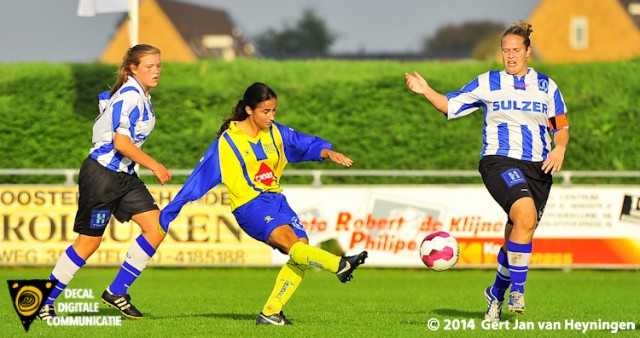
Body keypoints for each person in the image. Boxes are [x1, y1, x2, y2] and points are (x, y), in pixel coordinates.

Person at [159, 82, 368, 326]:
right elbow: (199, 178)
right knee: (294, 246)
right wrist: (170, 211)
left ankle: (271, 313)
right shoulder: (229, 141)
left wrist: (327, 152)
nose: (271, 117)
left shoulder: (276, 132)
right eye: (265, 112)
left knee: (301, 248)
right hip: (250, 206)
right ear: (249, 110)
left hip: (277, 200)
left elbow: (303, 143)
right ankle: (339, 265)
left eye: (274, 111)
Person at [405, 21, 569, 322]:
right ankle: (518, 291)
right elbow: (450, 105)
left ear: (528, 51)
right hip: (500, 161)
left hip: (539, 168)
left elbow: (561, 126)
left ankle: (495, 293)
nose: (510, 56)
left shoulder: (547, 86)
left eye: (516, 50)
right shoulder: (487, 82)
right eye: (505, 51)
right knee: (525, 216)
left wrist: (559, 148)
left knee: (519, 232)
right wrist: (427, 91)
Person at [38, 44, 172, 320]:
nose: (156, 71)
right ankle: (42, 301)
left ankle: (116, 292)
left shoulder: (141, 94)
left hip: (124, 177)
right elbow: (121, 143)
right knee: (88, 243)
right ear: (133, 68)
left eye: (158, 65)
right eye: (150, 66)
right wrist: (155, 165)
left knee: (156, 226)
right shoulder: (131, 95)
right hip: (102, 176)